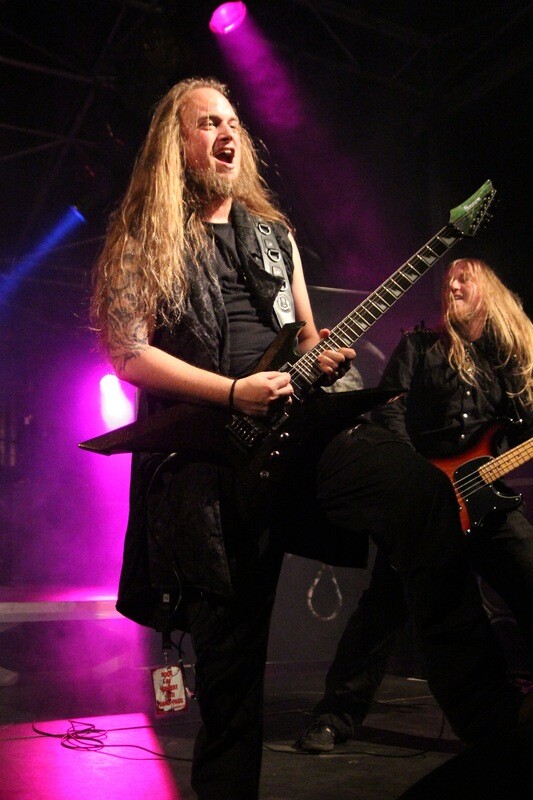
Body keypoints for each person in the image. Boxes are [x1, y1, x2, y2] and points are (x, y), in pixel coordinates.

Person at [89, 77, 530, 800]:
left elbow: (303, 334)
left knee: (424, 497)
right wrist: (232, 391)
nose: (226, 133)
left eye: (232, 121)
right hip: (210, 457)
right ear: (177, 142)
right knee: (230, 673)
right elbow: (128, 352)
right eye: (207, 122)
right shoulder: (146, 236)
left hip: (304, 426)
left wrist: (322, 356)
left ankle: (494, 725)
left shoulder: (275, 235)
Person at [298, 257, 533, 754]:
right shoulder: (420, 346)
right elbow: (389, 414)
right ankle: (335, 715)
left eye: (464, 277)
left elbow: (520, 425)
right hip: (425, 500)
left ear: (489, 290)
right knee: (383, 609)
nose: (452, 284)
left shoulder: (507, 357)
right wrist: (420, 482)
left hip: (487, 502)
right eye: (447, 279)